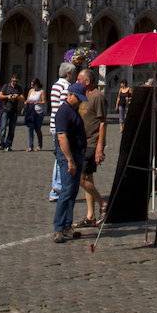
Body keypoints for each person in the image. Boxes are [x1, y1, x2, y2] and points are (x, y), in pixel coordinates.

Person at [53, 81, 88, 242]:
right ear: (71, 95)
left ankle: (67, 225)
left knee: (72, 192)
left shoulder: (73, 110)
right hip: (68, 155)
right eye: (78, 98)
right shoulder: (64, 111)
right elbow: (62, 136)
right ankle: (59, 228)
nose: (80, 101)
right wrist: (70, 160)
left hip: (77, 154)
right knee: (67, 191)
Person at [77, 70, 107, 226]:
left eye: (79, 79)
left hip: (92, 142)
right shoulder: (81, 96)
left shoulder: (98, 97)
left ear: (87, 81)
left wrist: (100, 147)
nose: (77, 82)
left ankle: (102, 203)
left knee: (80, 178)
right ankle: (90, 216)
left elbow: (103, 122)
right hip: (81, 142)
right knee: (87, 178)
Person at [47, 62, 74, 201]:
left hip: (54, 124)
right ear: (68, 73)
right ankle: (57, 188)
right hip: (61, 126)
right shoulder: (66, 87)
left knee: (59, 157)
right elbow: (65, 107)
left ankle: (57, 188)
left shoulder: (55, 85)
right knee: (61, 157)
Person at [0, 77, 24, 150]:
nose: (14, 82)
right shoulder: (6, 86)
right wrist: (8, 96)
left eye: (16, 81)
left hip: (14, 111)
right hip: (5, 110)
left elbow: (23, 98)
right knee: (3, 128)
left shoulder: (19, 88)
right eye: (13, 81)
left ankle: (8, 145)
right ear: (11, 80)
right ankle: (2, 143)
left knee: (12, 129)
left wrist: (17, 96)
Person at [24, 79, 46, 150]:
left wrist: (38, 102)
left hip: (38, 112)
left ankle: (40, 145)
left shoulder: (41, 91)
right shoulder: (31, 91)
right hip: (30, 111)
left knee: (37, 129)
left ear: (36, 84)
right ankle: (30, 146)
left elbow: (44, 101)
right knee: (30, 129)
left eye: (32, 84)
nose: (31, 86)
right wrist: (26, 102)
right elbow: (27, 99)